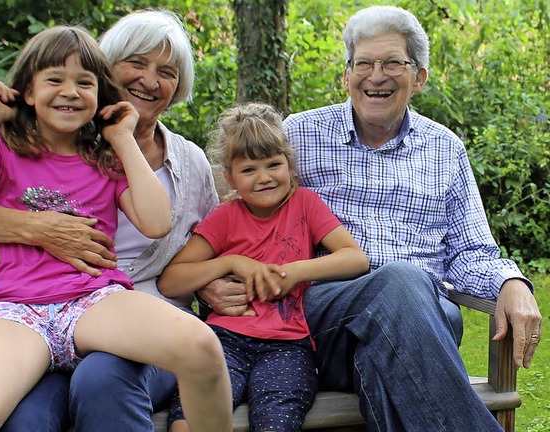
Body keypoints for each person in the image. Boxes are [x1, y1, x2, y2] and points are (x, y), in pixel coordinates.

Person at [196, 5, 543, 431]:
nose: (376, 76)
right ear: (346, 75)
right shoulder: (299, 135)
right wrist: (213, 279)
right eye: (364, 63)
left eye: (393, 62)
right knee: (400, 282)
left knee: (398, 316)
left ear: (419, 77)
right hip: (322, 319)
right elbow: (239, 212)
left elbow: (472, 250)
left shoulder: (445, 149)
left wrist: (511, 281)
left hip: (424, 323)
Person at [0, 24, 232, 432]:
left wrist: (121, 138)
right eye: (54, 80)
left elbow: (157, 222)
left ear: (99, 95)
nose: (69, 91)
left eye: (83, 83)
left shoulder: (105, 156)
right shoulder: (3, 147)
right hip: (19, 310)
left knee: (200, 346)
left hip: (93, 299)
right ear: (28, 92)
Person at [157, 103, 369, 432]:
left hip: (288, 345)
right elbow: (171, 281)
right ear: (229, 177)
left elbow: (355, 258)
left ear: (289, 164)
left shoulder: (306, 204)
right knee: (189, 417)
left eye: (273, 164)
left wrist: (296, 272)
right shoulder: (225, 218)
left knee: (277, 420)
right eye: (249, 170)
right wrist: (230, 262)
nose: (265, 177)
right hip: (222, 340)